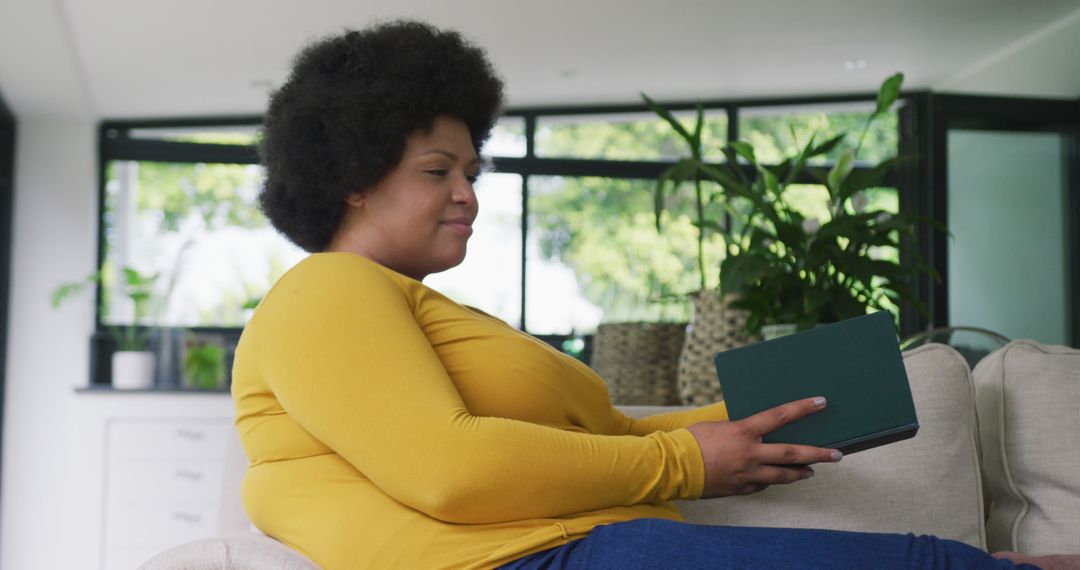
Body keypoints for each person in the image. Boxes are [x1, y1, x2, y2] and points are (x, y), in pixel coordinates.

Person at [233, 20, 1075, 570]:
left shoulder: (426, 310)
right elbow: (448, 471)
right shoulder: (326, 288)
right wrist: (686, 461)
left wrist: (746, 422)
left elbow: (606, 435)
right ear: (350, 179)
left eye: (471, 172)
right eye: (437, 172)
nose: (468, 195)